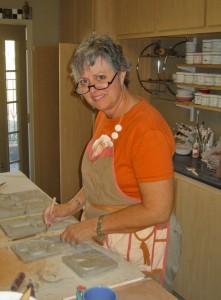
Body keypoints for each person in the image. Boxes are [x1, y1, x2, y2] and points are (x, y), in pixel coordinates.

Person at [43, 34, 182, 291]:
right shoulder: (104, 117)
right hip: (108, 237)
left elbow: (158, 210)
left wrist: (92, 227)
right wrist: (70, 206)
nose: (92, 91)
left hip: (143, 243)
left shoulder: (146, 129)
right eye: (84, 82)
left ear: (121, 74)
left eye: (100, 78)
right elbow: (99, 180)